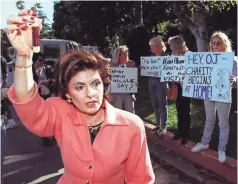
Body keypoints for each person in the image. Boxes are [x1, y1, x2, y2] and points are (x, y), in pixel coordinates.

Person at [6, 9, 155, 183]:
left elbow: (141, 180)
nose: (91, 94)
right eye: (79, 87)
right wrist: (23, 57)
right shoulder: (60, 113)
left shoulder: (132, 126)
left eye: (95, 84)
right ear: (68, 93)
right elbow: (27, 102)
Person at [191, 31, 237, 163]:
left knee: (223, 123)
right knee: (209, 119)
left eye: (218, 43)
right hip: (209, 92)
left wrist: (234, 79)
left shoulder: (232, 59)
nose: (215, 45)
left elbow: (237, 78)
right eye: (213, 43)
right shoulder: (208, 58)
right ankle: (204, 142)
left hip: (223, 94)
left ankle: (221, 149)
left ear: (224, 44)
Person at [168, 35, 191, 144]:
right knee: (179, 109)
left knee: (185, 110)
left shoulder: (189, 55)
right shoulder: (172, 55)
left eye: (172, 45)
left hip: (186, 86)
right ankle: (179, 132)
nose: (170, 47)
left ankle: (185, 134)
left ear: (177, 44)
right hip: (177, 86)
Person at [149, 36, 168, 136]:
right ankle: (158, 124)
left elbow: (169, 72)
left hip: (161, 83)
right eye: (151, 46)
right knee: (155, 104)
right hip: (151, 82)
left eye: (153, 46)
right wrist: (143, 69)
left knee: (162, 104)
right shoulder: (151, 58)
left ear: (159, 46)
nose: (152, 48)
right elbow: (148, 71)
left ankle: (163, 126)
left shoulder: (166, 57)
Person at [110, 45, 137, 114]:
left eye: (127, 55)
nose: (126, 56)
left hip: (128, 94)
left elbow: (134, 79)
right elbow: (108, 80)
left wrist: (136, 83)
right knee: (117, 114)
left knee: (131, 114)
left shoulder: (131, 64)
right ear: (118, 56)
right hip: (116, 94)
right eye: (124, 55)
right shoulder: (112, 66)